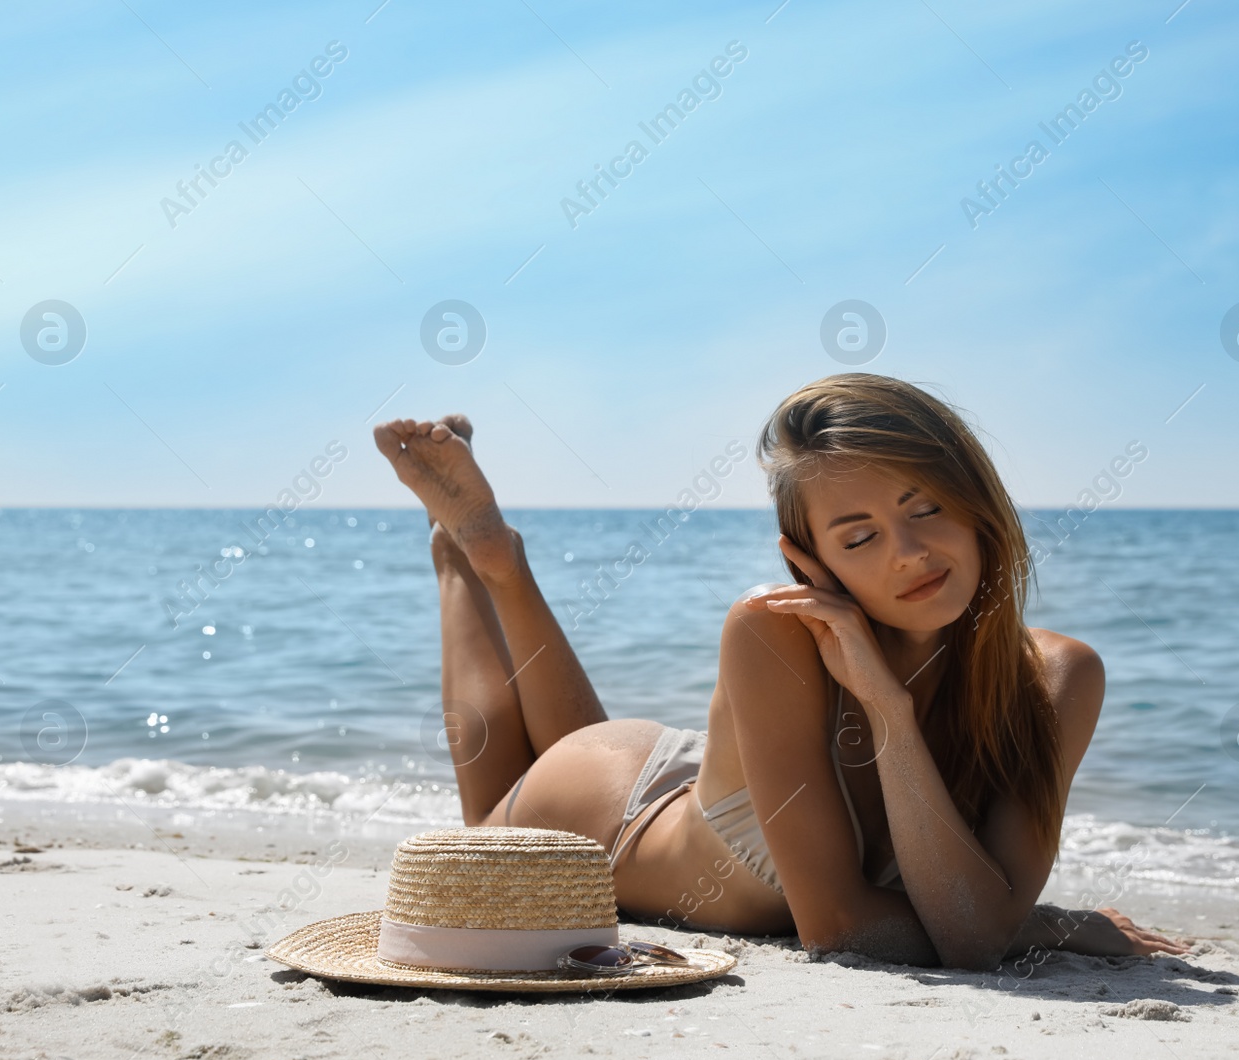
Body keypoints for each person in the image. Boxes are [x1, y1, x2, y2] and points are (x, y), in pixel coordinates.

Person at [373, 372, 1187, 970]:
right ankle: (472, 557)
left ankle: (489, 559)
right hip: (611, 808)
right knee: (484, 840)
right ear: (810, 562)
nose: (910, 554)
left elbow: (976, 932)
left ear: (975, 499)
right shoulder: (772, 630)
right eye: (859, 536)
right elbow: (844, 928)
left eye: (925, 506)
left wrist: (888, 713)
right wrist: (1036, 919)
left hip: (718, 769)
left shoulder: (1056, 676)